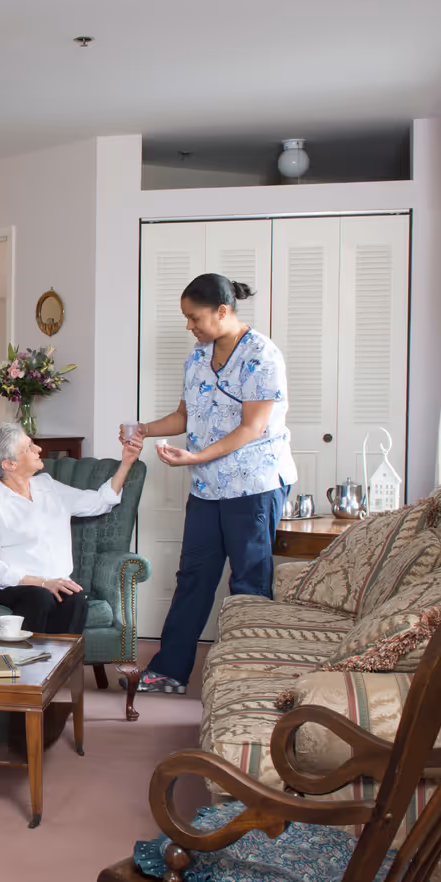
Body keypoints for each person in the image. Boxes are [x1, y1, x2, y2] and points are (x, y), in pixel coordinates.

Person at [123, 273, 296, 695]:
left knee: (249, 582)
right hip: (207, 488)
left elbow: (253, 428)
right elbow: (186, 417)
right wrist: (143, 428)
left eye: (194, 317)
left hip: (253, 486)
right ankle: (170, 670)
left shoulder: (262, 355)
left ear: (223, 311)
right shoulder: (197, 358)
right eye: (186, 318)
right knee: (194, 577)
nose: (190, 326)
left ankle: (248, 679)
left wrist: (196, 456)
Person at [0, 421, 144, 636]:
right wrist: (42, 582)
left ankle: (61, 666)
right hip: (10, 587)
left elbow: (98, 502)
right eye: (28, 448)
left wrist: (126, 462)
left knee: (75, 599)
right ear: (9, 464)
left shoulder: (48, 486)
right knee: (40, 597)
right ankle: (25, 663)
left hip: (56, 583)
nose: (38, 449)